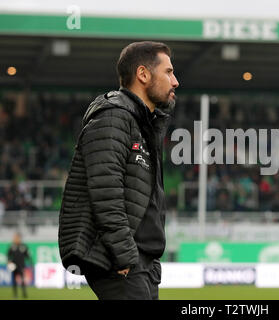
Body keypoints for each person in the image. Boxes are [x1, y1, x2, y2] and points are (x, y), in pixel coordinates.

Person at [58, 41, 179, 300]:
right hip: (122, 262)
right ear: (143, 74)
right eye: (168, 72)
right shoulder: (113, 117)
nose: (175, 81)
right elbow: (106, 194)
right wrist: (125, 257)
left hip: (142, 264)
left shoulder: (143, 124)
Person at [7, 232, 32, 299]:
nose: (15, 239)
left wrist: (31, 263)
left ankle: (24, 294)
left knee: (22, 280)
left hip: (21, 266)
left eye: (16, 238)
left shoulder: (23, 246)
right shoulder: (12, 246)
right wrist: (9, 261)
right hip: (14, 266)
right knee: (14, 281)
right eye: (15, 238)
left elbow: (28, 255)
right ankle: (15, 295)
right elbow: (8, 255)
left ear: (19, 238)